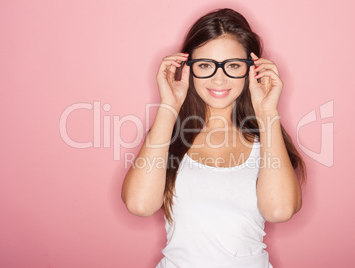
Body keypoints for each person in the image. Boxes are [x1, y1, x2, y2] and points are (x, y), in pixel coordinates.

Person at [121, 8, 306, 268]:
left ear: (252, 70)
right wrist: (169, 106)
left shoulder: (265, 140)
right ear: (188, 69)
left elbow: (280, 211)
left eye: (232, 65)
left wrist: (267, 112)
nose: (219, 79)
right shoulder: (169, 137)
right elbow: (139, 204)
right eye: (206, 65)